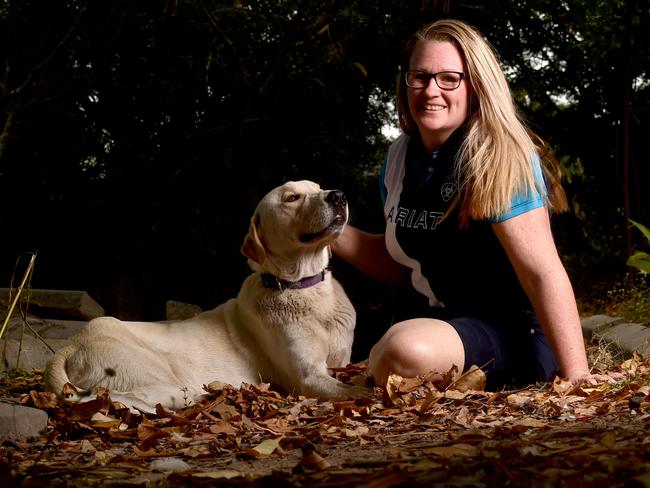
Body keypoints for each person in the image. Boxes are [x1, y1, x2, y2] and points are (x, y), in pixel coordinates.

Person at [332, 19, 604, 390]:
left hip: (511, 331)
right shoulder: (398, 157)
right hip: (445, 324)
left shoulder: (500, 156)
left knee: (402, 352)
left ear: (475, 86)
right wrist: (326, 230)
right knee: (395, 349)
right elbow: (405, 263)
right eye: (420, 76)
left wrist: (578, 378)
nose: (431, 90)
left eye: (449, 78)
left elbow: (542, 273)